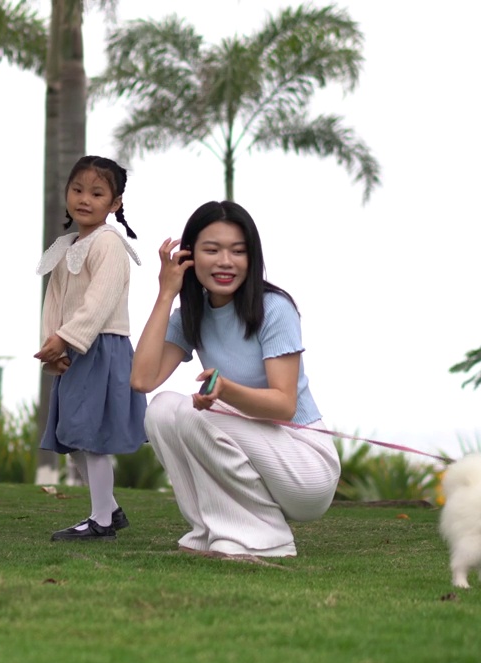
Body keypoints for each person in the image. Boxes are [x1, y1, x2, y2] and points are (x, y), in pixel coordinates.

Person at [129, 200, 340, 558]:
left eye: (238, 252)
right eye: (212, 250)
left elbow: (285, 405)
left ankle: (268, 537)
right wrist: (166, 292)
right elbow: (142, 380)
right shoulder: (191, 316)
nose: (225, 262)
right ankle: (208, 530)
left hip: (305, 464)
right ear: (190, 255)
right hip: (256, 447)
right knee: (162, 409)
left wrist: (225, 391)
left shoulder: (274, 309)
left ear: (251, 258)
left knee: (197, 413)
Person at [35, 155, 147, 541]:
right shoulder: (67, 246)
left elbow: (98, 302)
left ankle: (101, 521)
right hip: (76, 350)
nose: (85, 199)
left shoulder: (109, 244)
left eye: (97, 193)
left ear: (114, 204)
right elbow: (55, 299)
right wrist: (52, 346)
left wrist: (67, 338)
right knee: (73, 433)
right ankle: (110, 510)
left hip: (102, 349)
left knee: (90, 436)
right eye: (78, 190)